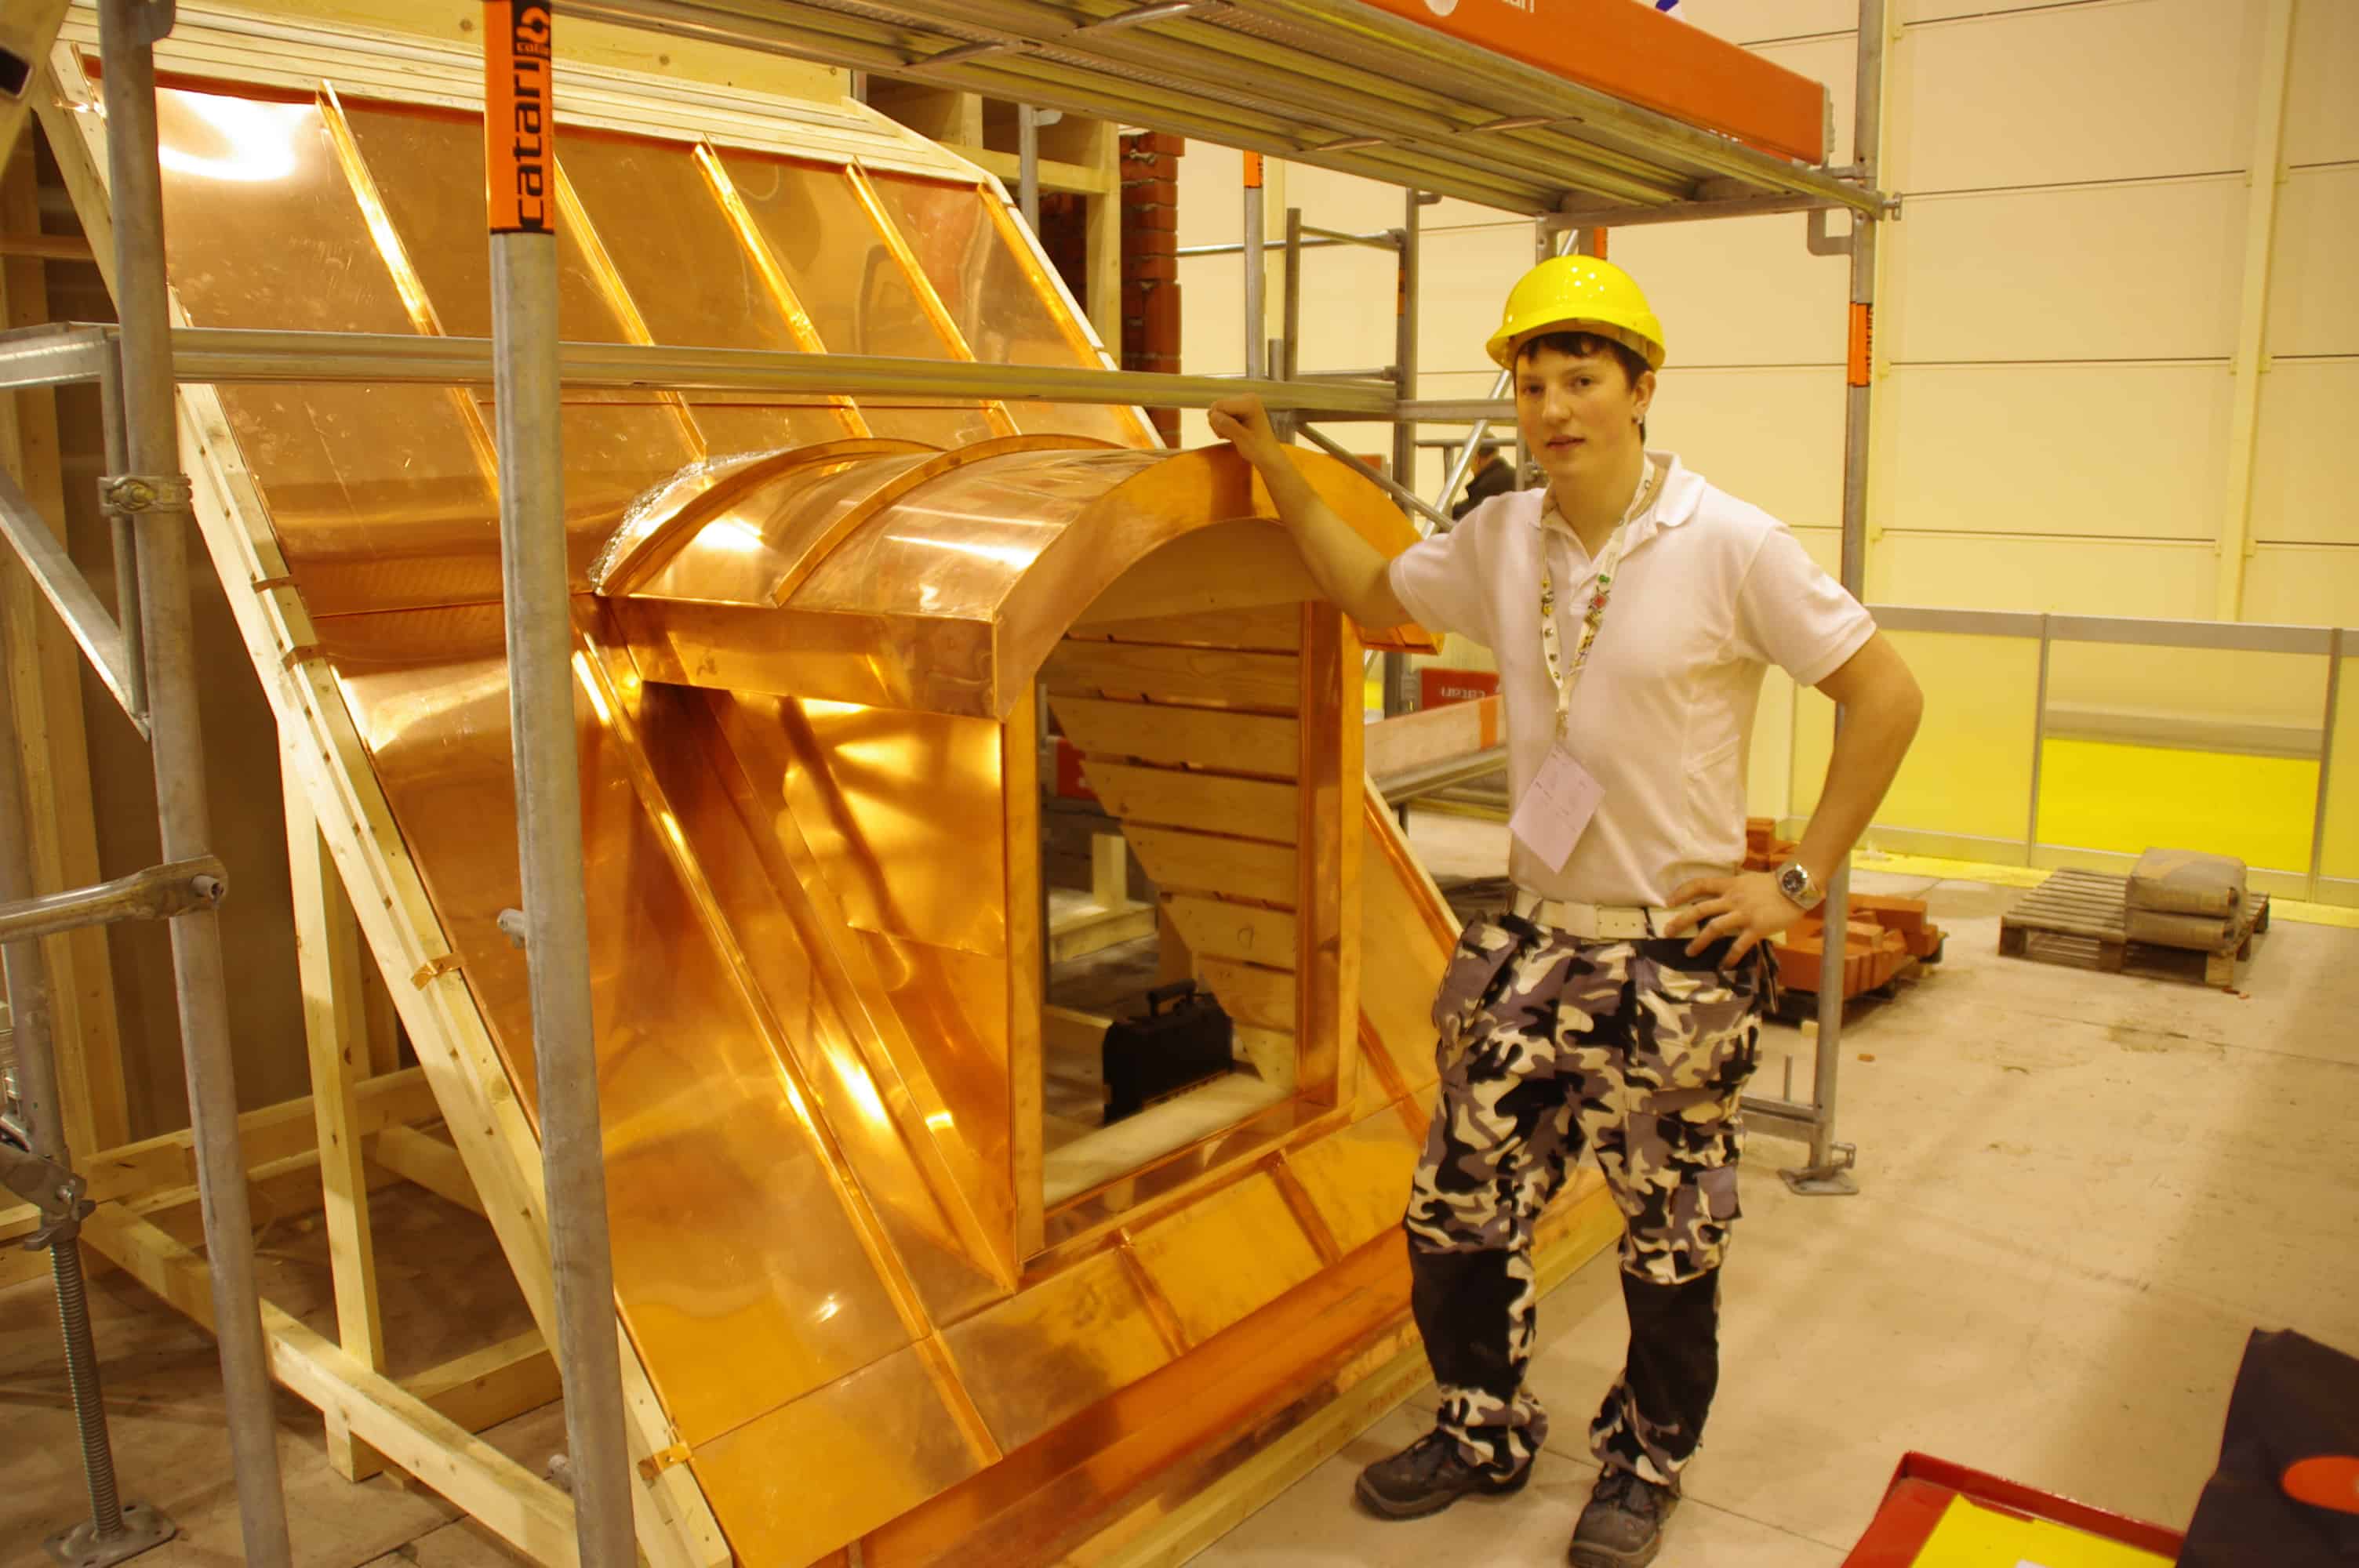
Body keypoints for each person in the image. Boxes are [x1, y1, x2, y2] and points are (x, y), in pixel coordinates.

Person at [1207, 255, 1922, 1567]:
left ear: (1640, 389)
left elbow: (1885, 695)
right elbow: (1369, 595)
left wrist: (1795, 883)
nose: (1552, 408)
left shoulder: (1729, 543)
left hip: (1671, 957)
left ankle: (1643, 1466)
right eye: (1532, 383)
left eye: (1581, 379)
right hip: (1530, 941)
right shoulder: (1502, 540)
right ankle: (1481, 1429)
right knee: (1455, 1211)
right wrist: (1273, 465)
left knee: (1667, 1240)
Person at [1451, 437, 1518, 521]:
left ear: (1476, 459)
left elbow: (1472, 513)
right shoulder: (1516, 475)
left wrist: (1451, 511)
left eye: (1470, 462)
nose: (1471, 469)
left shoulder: (1486, 484)